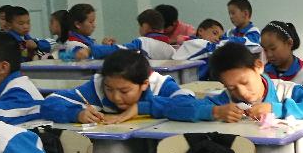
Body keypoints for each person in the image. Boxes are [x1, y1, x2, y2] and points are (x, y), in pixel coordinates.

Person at [41, 49, 202, 125]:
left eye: (124, 91)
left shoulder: (159, 85)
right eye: (109, 90)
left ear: (144, 84)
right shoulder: (98, 86)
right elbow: (49, 103)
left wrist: (141, 107)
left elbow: (188, 104)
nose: (116, 97)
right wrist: (77, 114)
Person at [73, 9, 175, 61]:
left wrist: (91, 50)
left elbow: (121, 50)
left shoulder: (143, 42)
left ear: (145, 26)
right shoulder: (171, 49)